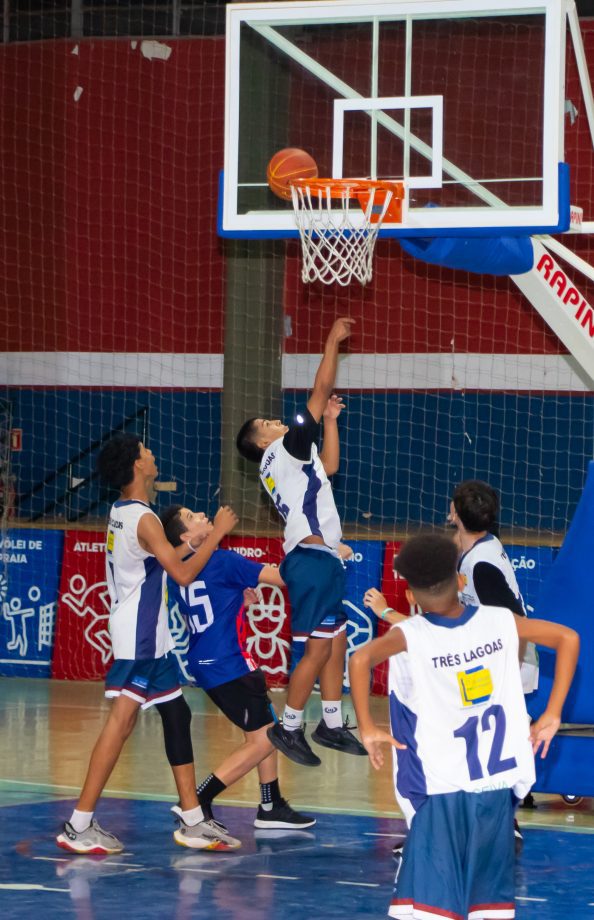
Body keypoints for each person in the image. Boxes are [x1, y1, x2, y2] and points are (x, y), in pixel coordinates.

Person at [349, 533, 579, 920]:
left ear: (409, 595)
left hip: (445, 793)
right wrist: (552, 713)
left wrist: (367, 727)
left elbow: (359, 661)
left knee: (433, 910)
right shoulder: (501, 621)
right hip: (497, 793)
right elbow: (568, 638)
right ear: (461, 581)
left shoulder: (411, 635)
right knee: (486, 908)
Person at [56, 433, 240, 855]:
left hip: (147, 638)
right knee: (119, 725)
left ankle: (193, 819)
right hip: (139, 639)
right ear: (138, 466)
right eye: (145, 450)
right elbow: (182, 575)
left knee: (176, 713)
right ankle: (79, 824)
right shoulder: (145, 518)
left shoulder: (124, 511)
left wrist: (187, 544)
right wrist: (217, 534)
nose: (152, 452)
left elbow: (154, 560)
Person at [235, 317, 366, 767]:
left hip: (321, 558)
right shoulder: (280, 451)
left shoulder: (294, 460)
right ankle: (289, 726)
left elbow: (328, 467)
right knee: (315, 648)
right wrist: (330, 342)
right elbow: (320, 385)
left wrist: (330, 421)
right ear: (263, 440)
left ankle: (330, 721)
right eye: (269, 422)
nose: (277, 421)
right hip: (309, 560)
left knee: (335, 643)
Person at [160, 503, 315, 832]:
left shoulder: (175, 570)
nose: (202, 515)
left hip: (210, 662)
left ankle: (271, 805)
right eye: (193, 516)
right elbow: (283, 579)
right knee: (268, 739)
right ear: (187, 536)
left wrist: (236, 601)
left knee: (265, 727)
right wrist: (314, 551)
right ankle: (199, 799)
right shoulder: (223, 561)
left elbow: (207, 599)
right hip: (228, 665)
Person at [449, 479, 540, 832]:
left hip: (506, 662)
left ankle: (502, 816)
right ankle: (495, 817)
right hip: (491, 659)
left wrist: (509, 675)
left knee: (480, 742)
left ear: (454, 513)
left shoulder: (482, 565)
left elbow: (514, 622)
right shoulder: (478, 548)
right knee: (475, 742)